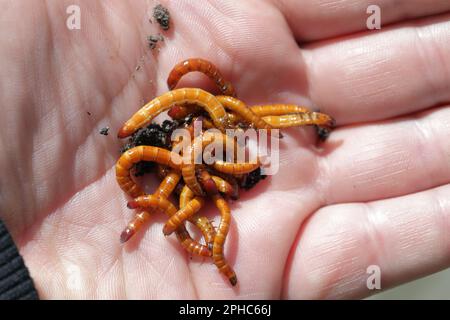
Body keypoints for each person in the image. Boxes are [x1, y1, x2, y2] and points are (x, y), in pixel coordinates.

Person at [1, 0, 450, 299]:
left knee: (232, 112)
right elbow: (179, 103)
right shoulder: (189, 164)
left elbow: (191, 93)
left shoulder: (213, 131)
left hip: (205, 150)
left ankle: (304, 123)